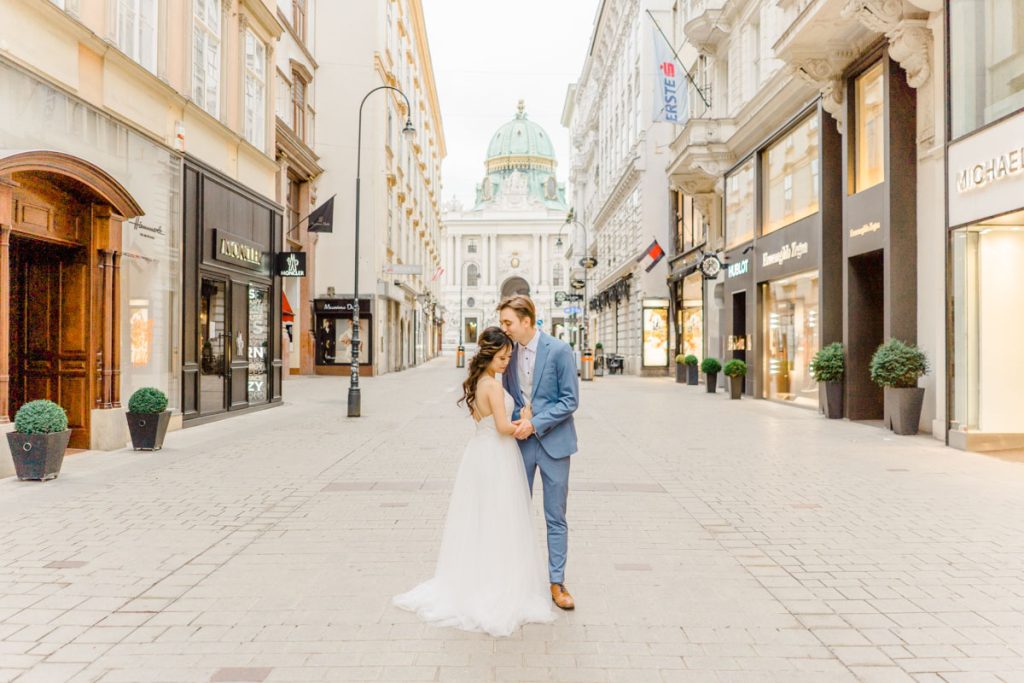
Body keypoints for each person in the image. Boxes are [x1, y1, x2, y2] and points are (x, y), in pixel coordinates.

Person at [392, 327, 555, 637]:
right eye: (503, 357)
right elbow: (504, 428)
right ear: (489, 355)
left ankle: (478, 577)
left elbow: (487, 423)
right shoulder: (492, 386)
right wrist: (527, 418)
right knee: (499, 517)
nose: (507, 362)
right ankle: (496, 582)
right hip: (497, 454)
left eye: (509, 357)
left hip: (479, 454)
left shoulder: (478, 382)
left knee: (480, 518)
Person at [497, 295, 580, 611]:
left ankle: (557, 583)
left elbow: (569, 400)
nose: (504, 328)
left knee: (555, 516)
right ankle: (515, 580)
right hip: (519, 443)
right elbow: (507, 395)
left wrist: (535, 422)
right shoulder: (508, 354)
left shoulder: (559, 351)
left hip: (555, 445)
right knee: (515, 512)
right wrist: (519, 415)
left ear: (527, 321)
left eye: (509, 323)